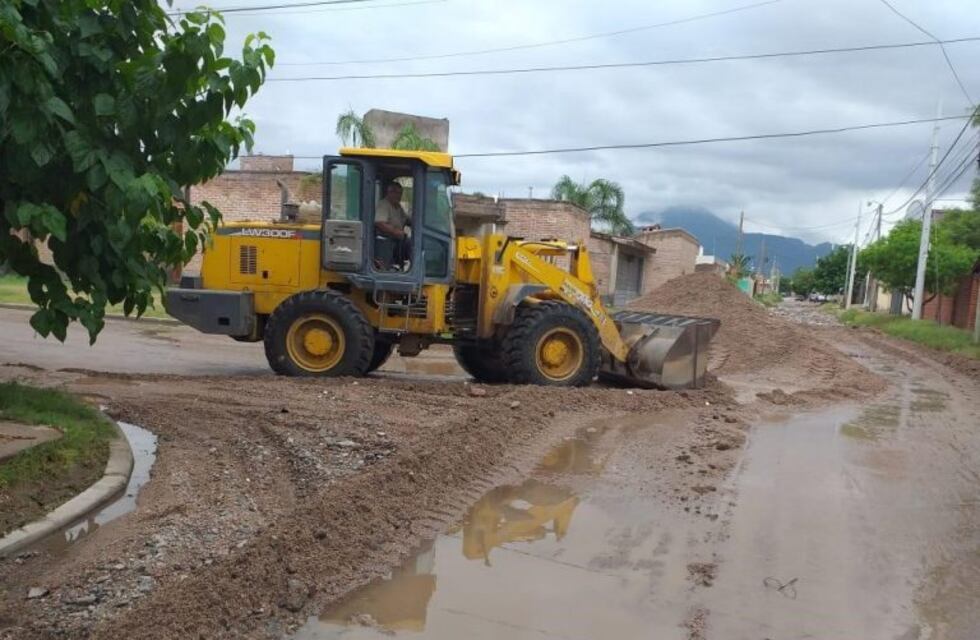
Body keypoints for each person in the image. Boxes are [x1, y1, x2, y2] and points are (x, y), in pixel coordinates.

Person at [375, 181, 411, 267]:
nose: (398, 196)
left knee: (412, 244)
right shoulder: (384, 205)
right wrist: (396, 232)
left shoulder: (397, 206)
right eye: (395, 192)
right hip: (385, 242)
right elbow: (380, 223)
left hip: (397, 241)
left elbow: (406, 220)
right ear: (389, 192)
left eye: (400, 193)